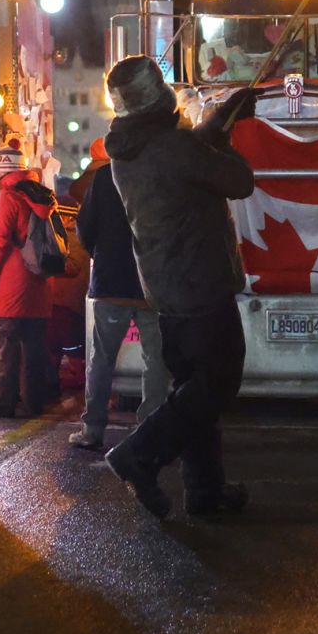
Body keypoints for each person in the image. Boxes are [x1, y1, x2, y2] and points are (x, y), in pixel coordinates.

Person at [101, 56, 257, 519]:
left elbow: (186, 161)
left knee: (195, 387)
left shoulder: (131, 147)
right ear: (161, 96)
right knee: (217, 383)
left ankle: (205, 491)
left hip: (166, 286)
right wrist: (224, 134)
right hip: (201, 280)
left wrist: (213, 123)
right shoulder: (172, 146)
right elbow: (238, 181)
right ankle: (138, 455)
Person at [67, 136, 168, 450]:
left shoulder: (104, 177)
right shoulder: (159, 178)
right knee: (156, 359)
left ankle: (92, 429)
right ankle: (151, 428)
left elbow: (85, 228)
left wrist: (100, 250)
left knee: (102, 358)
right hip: (150, 283)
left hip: (110, 282)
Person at [0, 138, 57, 417]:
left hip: (11, 285)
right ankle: (34, 401)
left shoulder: (9, 196)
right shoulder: (41, 195)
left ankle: (3, 400)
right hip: (39, 282)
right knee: (34, 345)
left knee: (4, 344)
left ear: (1, 173)